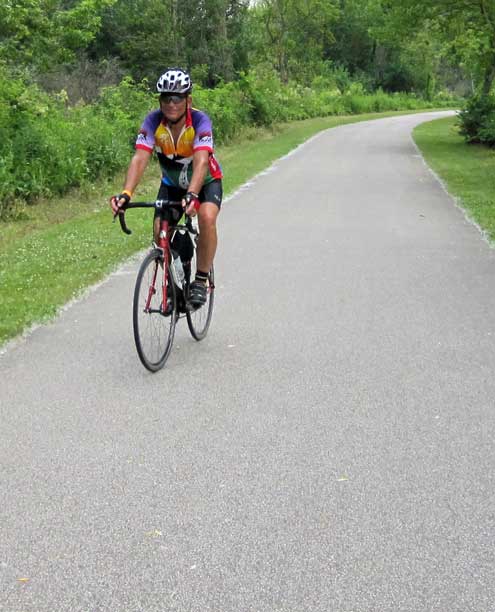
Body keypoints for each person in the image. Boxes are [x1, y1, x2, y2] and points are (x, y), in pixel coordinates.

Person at [110, 67, 223, 306]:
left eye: (177, 98)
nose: (171, 103)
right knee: (159, 234)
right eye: (165, 98)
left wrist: (193, 194)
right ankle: (174, 286)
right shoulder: (153, 122)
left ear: (188, 100)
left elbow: (202, 160)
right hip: (171, 185)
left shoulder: (200, 121)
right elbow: (140, 158)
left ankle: (200, 281)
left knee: (206, 217)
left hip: (205, 183)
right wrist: (126, 193)